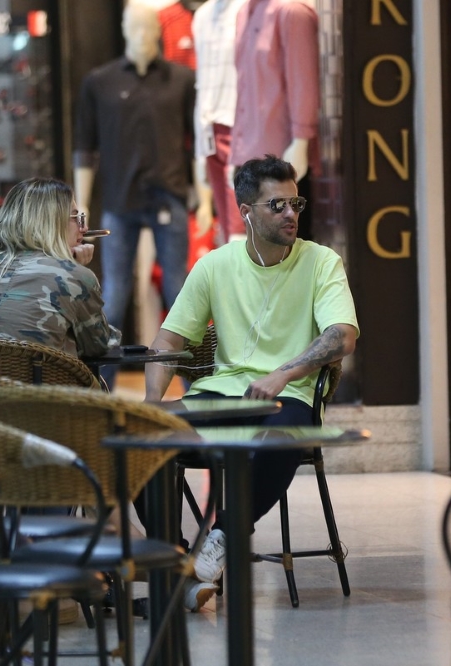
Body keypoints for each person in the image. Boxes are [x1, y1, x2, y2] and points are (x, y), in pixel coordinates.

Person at [145, 154, 359, 610]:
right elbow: (168, 338)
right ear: (245, 210)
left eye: (295, 203)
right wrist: (149, 403)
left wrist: (283, 373)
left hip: (290, 395)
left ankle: (222, 536)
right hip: (218, 395)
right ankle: (174, 560)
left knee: (280, 439)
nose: (290, 214)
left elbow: (342, 336)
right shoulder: (214, 266)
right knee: (142, 436)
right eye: (276, 205)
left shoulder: (321, 262)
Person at [73, 2, 202, 389]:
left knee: (179, 291)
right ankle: (102, 384)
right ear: (124, 29)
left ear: (159, 31)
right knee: (114, 293)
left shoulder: (181, 80)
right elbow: (85, 147)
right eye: (135, 27)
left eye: (149, 27)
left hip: (170, 197)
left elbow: (194, 143)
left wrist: (204, 194)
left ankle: (195, 379)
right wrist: (78, 203)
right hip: (119, 202)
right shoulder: (100, 82)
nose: (143, 35)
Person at [0, 177, 119, 359]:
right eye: (76, 217)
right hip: (34, 384)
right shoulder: (75, 276)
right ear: (51, 223)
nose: (84, 228)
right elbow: (99, 346)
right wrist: (74, 268)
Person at [231, 0, 319, 240]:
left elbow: (303, 80)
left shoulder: (292, 13)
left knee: (290, 252)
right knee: (257, 254)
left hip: (285, 161)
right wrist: (236, 154)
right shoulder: (243, 14)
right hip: (250, 159)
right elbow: (244, 87)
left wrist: (301, 140)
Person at [192, 0, 245, 242]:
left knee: (241, 232)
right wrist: (201, 151)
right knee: (227, 232)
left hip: (240, 127)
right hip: (210, 130)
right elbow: (202, 81)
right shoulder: (202, 16)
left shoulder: (248, 9)